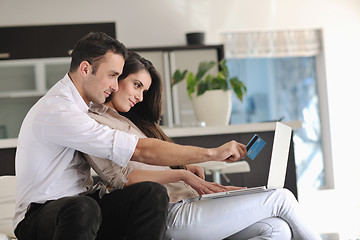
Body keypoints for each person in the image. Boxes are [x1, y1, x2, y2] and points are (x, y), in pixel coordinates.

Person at [13, 33, 247, 240]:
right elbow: (139, 150)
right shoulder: (59, 110)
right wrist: (212, 153)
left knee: (150, 193)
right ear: (85, 69)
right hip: (39, 215)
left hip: (81, 206)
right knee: (83, 208)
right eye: (112, 75)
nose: (115, 86)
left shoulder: (85, 109)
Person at [84, 51, 323, 240]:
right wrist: (182, 174)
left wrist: (187, 171)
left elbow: (155, 159)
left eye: (145, 90)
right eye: (136, 85)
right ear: (117, 78)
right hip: (170, 212)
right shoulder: (95, 122)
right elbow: (121, 178)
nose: (141, 97)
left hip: (191, 202)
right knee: (281, 198)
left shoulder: (132, 123)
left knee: (277, 229)